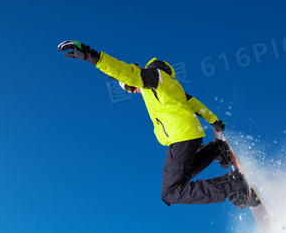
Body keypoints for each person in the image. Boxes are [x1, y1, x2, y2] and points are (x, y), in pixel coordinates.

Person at [58, 40, 255, 209]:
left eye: (129, 88)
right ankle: (217, 150)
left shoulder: (150, 78)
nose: (133, 92)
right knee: (183, 175)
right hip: (190, 133)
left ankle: (233, 187)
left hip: (181, 137)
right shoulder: (168, 83)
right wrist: (214, 120)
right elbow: (192, 102)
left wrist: (91, 56)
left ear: (133, 80)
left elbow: (124, 72)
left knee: (171, 192)